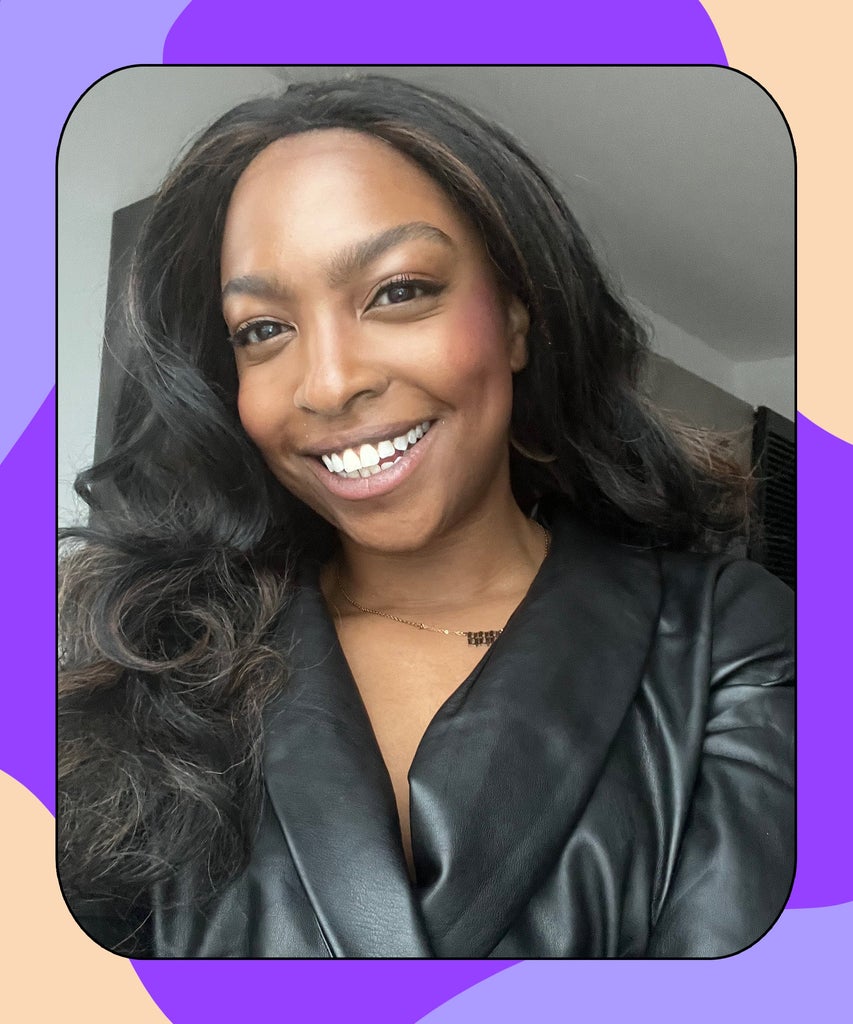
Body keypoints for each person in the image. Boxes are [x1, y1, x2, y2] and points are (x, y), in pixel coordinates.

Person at [58, 74, 794, 959]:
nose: (329, 384)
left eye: (398, 291)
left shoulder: (728, 639)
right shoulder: (140, 652)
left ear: (515, 317)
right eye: (262, 330)